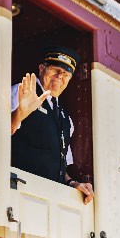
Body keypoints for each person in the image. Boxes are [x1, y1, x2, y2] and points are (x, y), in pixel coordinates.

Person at [11, 46, 94, 204]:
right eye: (55, 70)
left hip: (49, 199)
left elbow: (59, 163)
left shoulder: (66, 119)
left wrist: (72, 182)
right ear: (42, 69)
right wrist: (19, 114)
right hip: (21, 194)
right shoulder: (19, 92)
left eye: (65, 74)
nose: (59, 77)